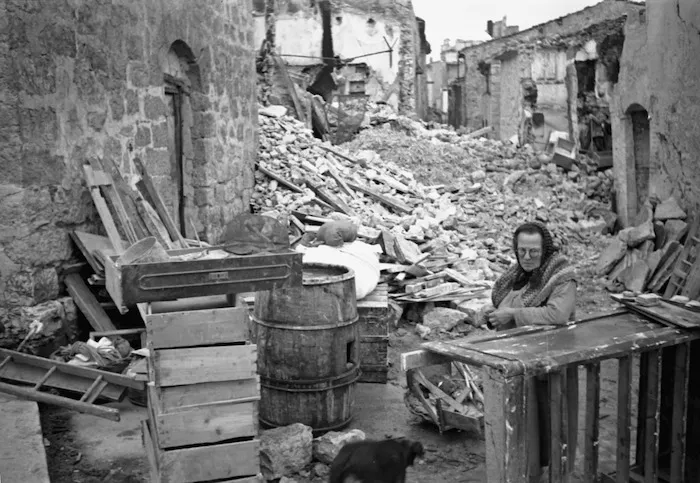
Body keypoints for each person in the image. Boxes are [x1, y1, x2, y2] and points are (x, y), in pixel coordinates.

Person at [485, 221, 578, 482]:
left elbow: (557, 314)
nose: (527, 257)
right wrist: (492, 315)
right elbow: (506, 304)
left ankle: (553, 474)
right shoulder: (517, 274)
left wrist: (512, 314)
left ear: (544, 249)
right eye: (522, 251)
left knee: (550, 421)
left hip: (549, 360)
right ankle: (524, 471)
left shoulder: (561, 275)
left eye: (533, 252)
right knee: (521, 423)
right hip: (516, 360)